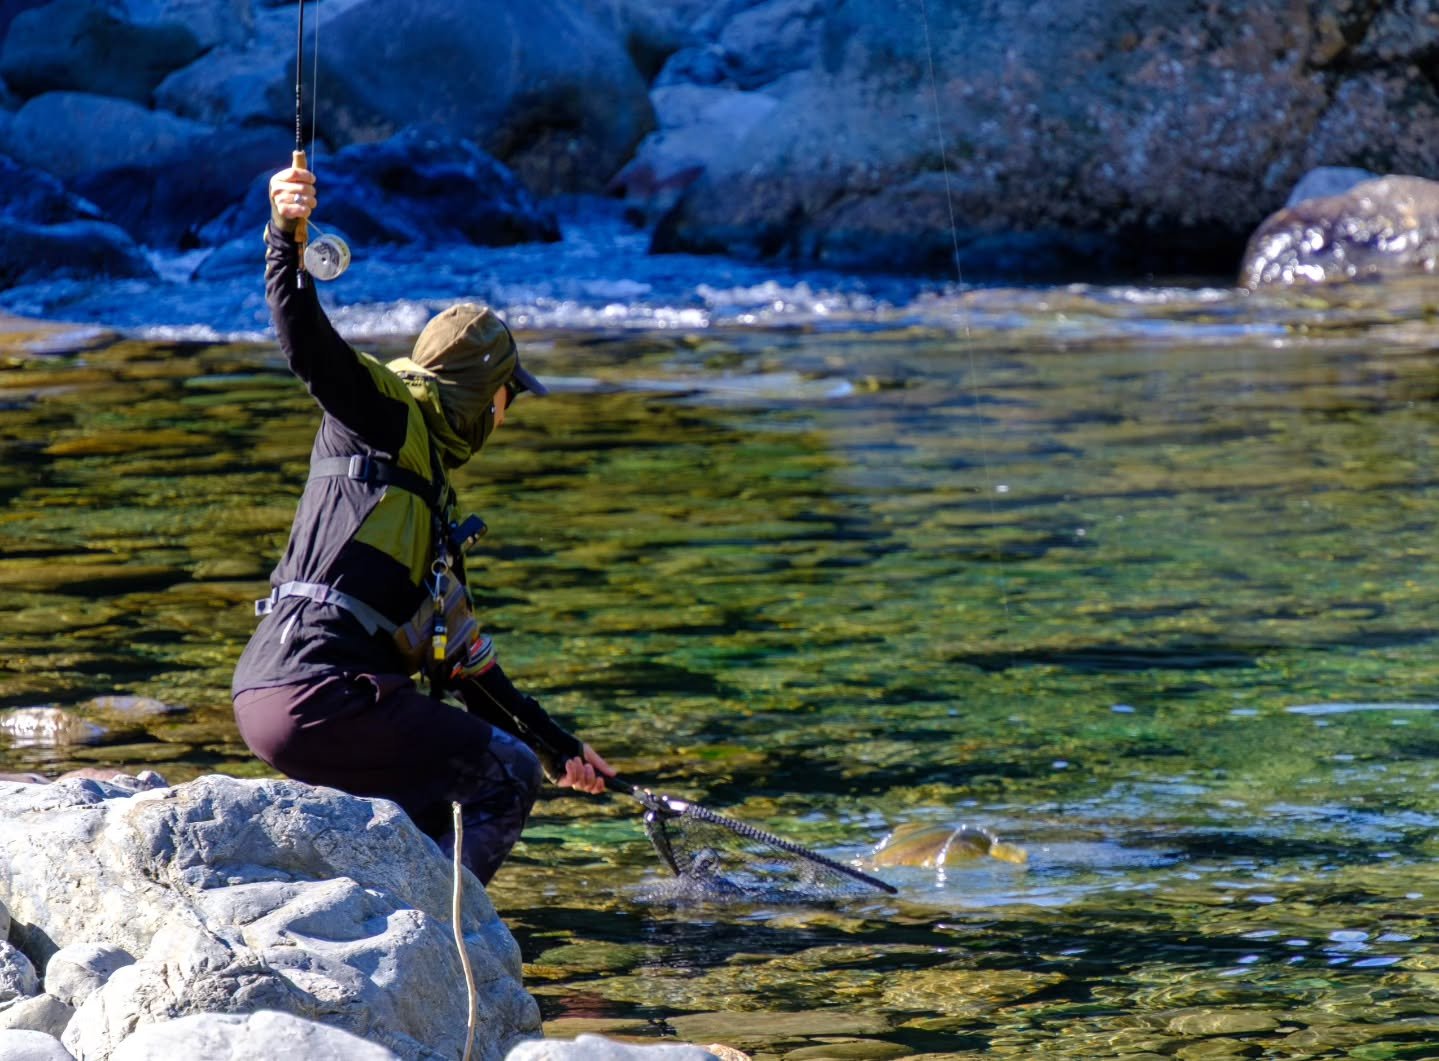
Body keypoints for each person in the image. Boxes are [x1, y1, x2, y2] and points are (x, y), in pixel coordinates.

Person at [231, 163, 613, 884]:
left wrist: (565, 748)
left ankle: (385, 931)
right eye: (509, 398)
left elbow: (473, 672)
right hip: (319, 690)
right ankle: (438, 947)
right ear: (479, 395)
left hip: (285, 693)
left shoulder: (425, 499)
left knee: (444, 803)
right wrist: (284, 236)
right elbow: (303, 339)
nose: (507, 415)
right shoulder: (378, 417)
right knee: (504, 774)